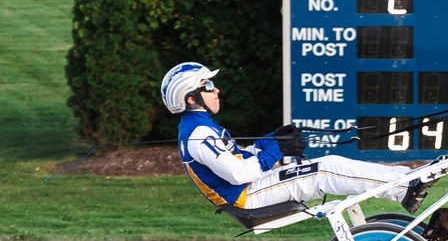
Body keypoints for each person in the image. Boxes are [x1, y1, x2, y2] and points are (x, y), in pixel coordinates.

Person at [161, 62, 428, 212]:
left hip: (250, 188)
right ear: (191, 98)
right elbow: (238, 174)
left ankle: (406, 179)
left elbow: (244, 156)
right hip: (247, 196)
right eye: (207, 85)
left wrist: (274, 139)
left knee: (329, 166)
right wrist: (276, 150)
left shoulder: (200, 127)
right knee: (326, 169)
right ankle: (405, 186)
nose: (216, 89)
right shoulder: (198, 133)